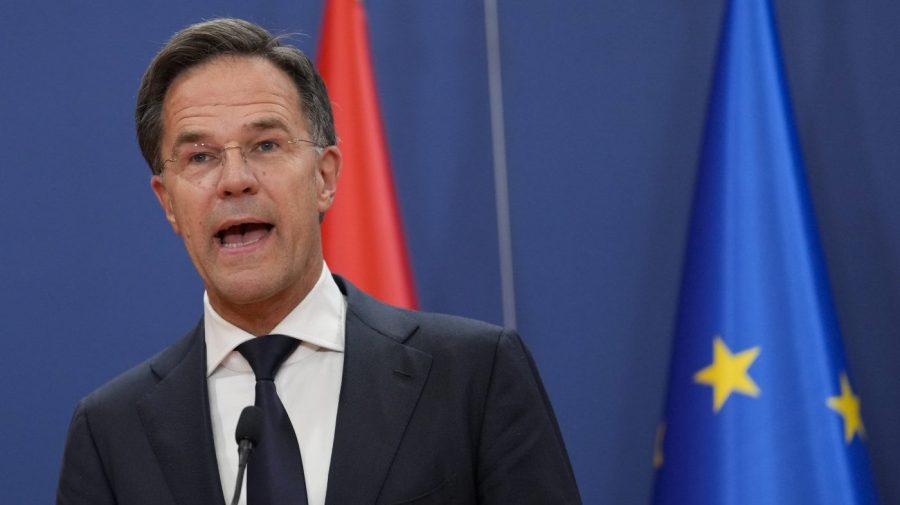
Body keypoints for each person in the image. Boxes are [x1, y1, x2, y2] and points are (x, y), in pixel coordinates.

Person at [56, 18, 581, 505]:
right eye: (200, 157)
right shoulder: (110, 432)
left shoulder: (473, 375)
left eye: (265, 144)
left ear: (324, 177)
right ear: (168, 201)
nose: (235, 179)